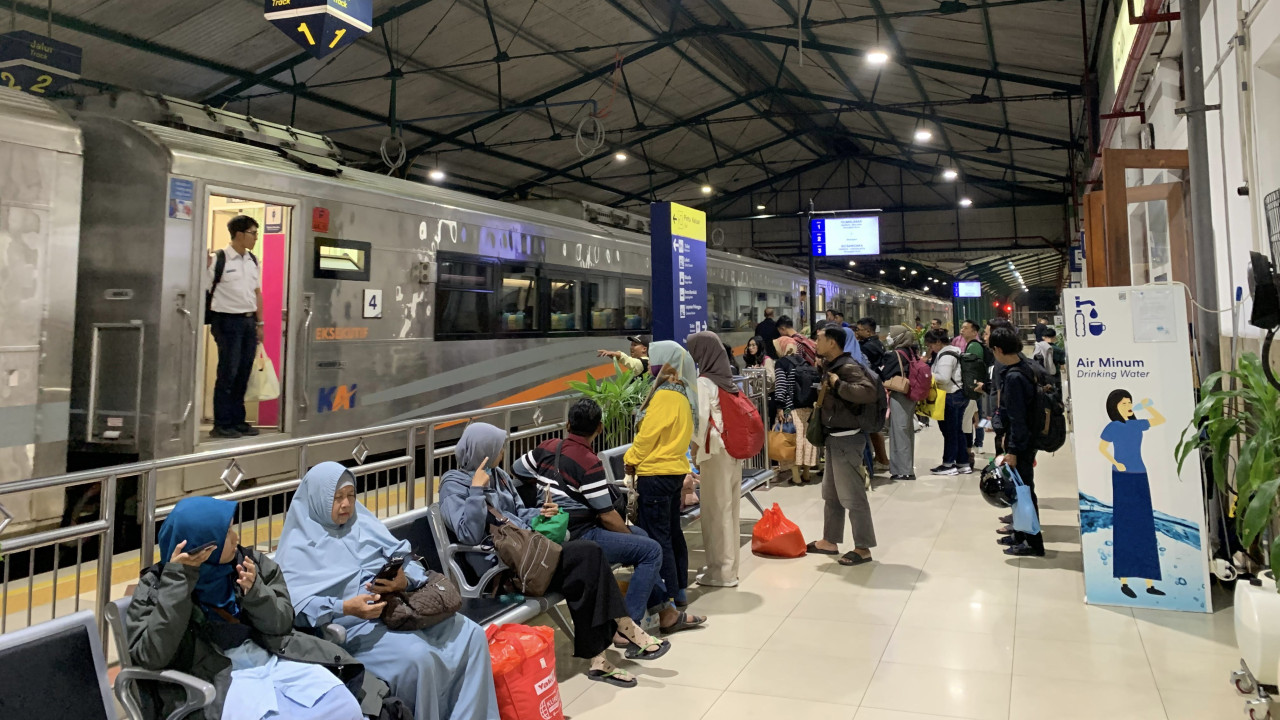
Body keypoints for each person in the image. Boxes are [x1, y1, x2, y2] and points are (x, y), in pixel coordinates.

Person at [434, 427, 677, 687]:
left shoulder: (500, 476)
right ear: (483, 451)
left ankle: (603, 655)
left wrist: (542, 514)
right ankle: (624, 631)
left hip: (529, 556)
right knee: (588, 556)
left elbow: (518, 514)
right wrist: (476, 492)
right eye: (499, 448)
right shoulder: (453, 484)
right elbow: (468, 534)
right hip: (502, 573)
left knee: (587, 565)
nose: (503, 452)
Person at [127, 496, 383, 720]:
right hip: (215, 676)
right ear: (204, 547)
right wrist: (179, 583)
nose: (236, 537)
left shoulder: (250, 564)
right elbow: (152, 656)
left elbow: (282, 622)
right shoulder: (158, 586)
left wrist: (255, 592)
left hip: (272, 656)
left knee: (340, 704)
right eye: (226, 533)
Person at [276, 463, 502, 716]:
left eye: (351, 496)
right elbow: (294, 609)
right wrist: (345, 607)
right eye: (337, 498)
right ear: (317, 500)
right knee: (419, 660)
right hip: (356, 629)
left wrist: (404, 581)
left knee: (471, 634)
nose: (346, 505)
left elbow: (406, 559)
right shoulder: (297, 550)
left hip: (403, 608)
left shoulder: (361, 524)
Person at [512, 398, 677, 629]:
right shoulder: (589, 462)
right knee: (650, 550)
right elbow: (606, 516)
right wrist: (630, 537)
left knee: (643, 537)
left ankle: (667, 612)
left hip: (551, 531)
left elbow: (518, 469)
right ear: (599, 428)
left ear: (568, 425)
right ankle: (629, 627)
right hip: (580, 537)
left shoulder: (547, 447)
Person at [623, 341, 706, 620]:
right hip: (672, 472)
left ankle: (668, 597)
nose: (651, 363)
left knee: (658, 539)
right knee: (672, 532)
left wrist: (631, 459)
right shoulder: (681, 393)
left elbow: (647, 436)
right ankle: (679, 589)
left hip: (656, 474)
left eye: (654, 359)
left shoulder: (665, 395)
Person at [805, 326, 879, 566]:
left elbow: (867, 392)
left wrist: (838, 385)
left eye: (819, 339)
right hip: (835, 438)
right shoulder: (834, 365)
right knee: (832, 495)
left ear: (833, 343)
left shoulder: (846, 367)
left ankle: (863, 547)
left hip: (847, 439)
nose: (815, 342)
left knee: (853, 495)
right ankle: (830, 540)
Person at [687, 330, 748, 587]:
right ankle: (729, 568)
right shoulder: (727, 379)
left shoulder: (704, 382)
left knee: (715, 511)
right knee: (730, 509)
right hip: (732, 451)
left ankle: (720, 572)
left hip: (714, 452)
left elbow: (699, 422)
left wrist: (693, 451)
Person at [1099, 390, 1167, 597]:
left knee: (1145, 525)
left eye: (1129, 402)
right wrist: (1116, 463)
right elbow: (1102, 448)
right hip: (1122, 476)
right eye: (1123, 403)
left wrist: (1147, 406)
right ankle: (1124, 580)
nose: (1128, 406)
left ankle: (1149, 582)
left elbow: (1160, 419)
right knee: (1125, 524)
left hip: (1140, 473)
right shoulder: (1113, 427)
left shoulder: (1136, 424)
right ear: (1114, 407)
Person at [207, 214, 264, 439]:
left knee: (243, 371)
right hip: (226, 320)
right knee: (228, 372)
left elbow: (257, 293)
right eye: (253, 233)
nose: (256, 238)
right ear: (239, 234)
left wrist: (260, 323)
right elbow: (203, 287)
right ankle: (222, 423)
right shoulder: (219, 259)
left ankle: (238, 420)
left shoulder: (253, 260)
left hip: (249, 321)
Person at [991, 326, 1046, 557]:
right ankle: (1021, 534)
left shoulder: (1014, 377)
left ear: (999, 349)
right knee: (1020, 490)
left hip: (1021, 443)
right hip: (1027, 440)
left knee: (1023, 492)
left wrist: (1013, 449)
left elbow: (1017, 418)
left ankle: (1033, 543)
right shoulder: (1026, 368)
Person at [925, 328, 970, 475]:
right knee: (957, 431)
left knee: (949, 432)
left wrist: (927, 375)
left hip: (950, 396)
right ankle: (963, 463)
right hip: (959, 394)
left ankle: (948, 464)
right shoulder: (955, 350)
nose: (930, 348)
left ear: (938, 342)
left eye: (931, 345)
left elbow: (943, 378)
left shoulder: (945, 355)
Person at [880, 324, 920, 481]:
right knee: (907, 431)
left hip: (899, 394)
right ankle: (906, 467)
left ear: (899, 337)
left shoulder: (895, 354)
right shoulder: (910, 351)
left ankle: (903, 470)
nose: (889, 336)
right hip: (911, 394)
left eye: (891, 334)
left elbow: (884, 374)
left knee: (899, 432)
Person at [855, 318, 890, 471]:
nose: (857, 332)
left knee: (873, 428)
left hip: (871, 389)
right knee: (875, 427)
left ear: (868, 331)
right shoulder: (877, 343)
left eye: (859, 329)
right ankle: (882, 459)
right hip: (878, 387)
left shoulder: (867, 347)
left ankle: (882, 459)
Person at [959, 320, 988, 463]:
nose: (962, 330)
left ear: (974, 332)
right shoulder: (970, 345)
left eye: (966, 328)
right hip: (977, 388)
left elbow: (973, 370)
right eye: (962, 327)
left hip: (976, 388)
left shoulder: (974, 347)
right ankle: (978, 442)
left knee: (979, 415)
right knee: (978, 415)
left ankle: (980, 442)